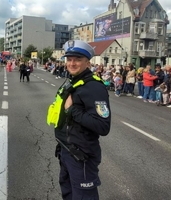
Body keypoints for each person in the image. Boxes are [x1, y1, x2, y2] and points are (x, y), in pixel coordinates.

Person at [50, 40, 111, 199]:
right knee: (68, 193)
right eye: (69, 59)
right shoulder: (73, 81)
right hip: (66, 149)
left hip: (81, 156)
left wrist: (72, 110)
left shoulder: (94, 87)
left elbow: (103, 126)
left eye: (77, 59)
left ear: (87, 63)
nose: (72, 63)